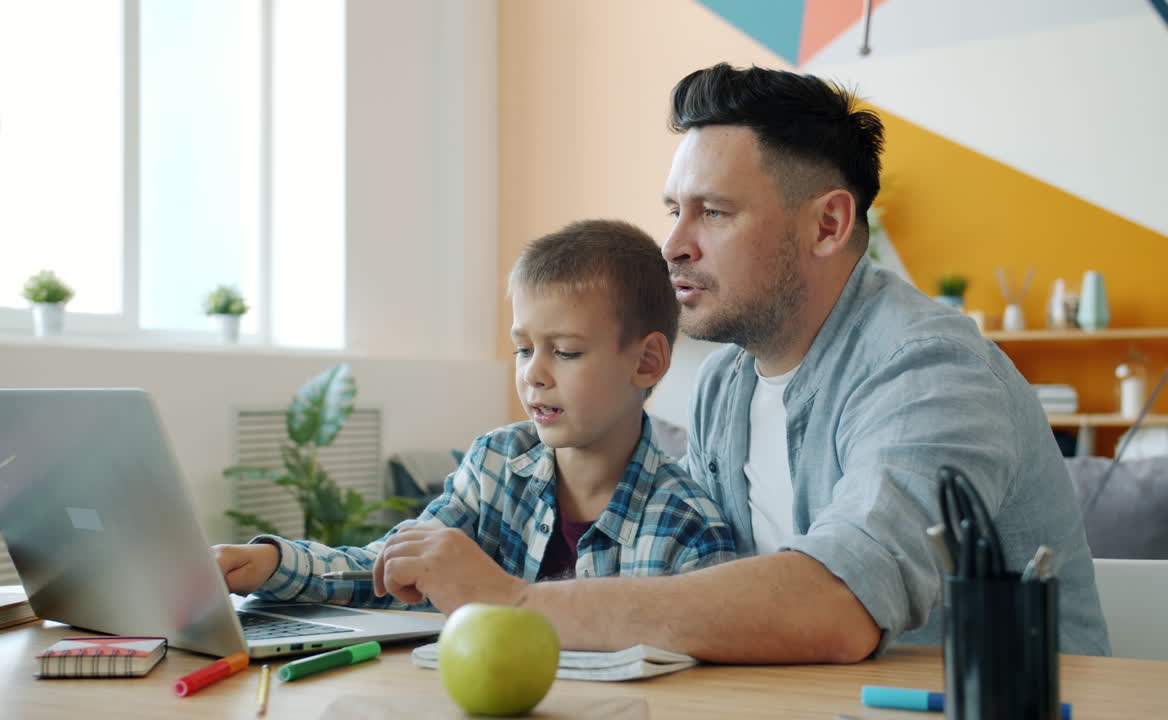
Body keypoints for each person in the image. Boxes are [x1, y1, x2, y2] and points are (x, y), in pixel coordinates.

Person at [370, 63, 1111, 661]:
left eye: (713, 212)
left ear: (828, 223)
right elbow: (693, 580)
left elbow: (837, 608)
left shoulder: (928, 367)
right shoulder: (728, 381)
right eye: (674, 210)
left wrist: (518, 602)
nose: (674, 246)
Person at [214, 219, 736, 607]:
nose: (534, 373)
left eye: (566, 351)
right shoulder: (495, 464)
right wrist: (272, 565)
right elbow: (393, 568)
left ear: (646, 362)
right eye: (523, 349)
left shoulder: (687, 524)